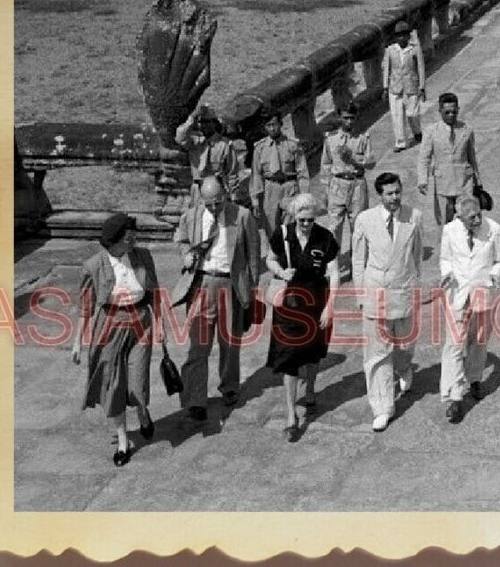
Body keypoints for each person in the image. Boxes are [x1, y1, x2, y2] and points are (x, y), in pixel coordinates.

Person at [172, 176, 262, 429]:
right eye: (209, 204)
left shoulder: (242, 216)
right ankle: (195, 400)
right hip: (200, 284)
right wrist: (187, 254)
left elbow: (253, 256)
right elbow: (180, 240)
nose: (214, 208)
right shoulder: (191, 216)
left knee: (230, 342)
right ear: (201, 198)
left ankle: (230, 386)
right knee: (198, 346)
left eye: (218, 202)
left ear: (226, 195)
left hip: (229, 284)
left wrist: (251, 292)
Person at [72, 212, 158, 466]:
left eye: (134, 238)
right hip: (109, 327)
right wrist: (78, 341)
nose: (134, 243)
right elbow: (86, 307)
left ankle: (142, 411)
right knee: (112, 385)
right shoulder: (93, 266)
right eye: (129, 239)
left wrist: (161, 325)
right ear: (114, 241)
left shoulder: (143, 256)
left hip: (141, 324)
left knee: (137, 380)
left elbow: (154, 293)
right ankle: (123, 441)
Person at [351, 171, 425, 432]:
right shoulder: (364, 220)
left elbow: (417, 257)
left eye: (397, 192)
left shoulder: (413, 217)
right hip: (375, 293)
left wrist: (415, 288)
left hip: (403, 290)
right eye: (389, 193)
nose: (394, 198)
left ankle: (404, 368)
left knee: (404, 343)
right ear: (379, 195)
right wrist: (360, 295)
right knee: (377, 355)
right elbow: (358, 261)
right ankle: (382, 407)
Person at [264, 193, 340, 443]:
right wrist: (281, 272)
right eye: (302, 219)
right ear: (294, 216)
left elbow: (334, 272)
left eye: (310, 219)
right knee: (289, 356)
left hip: (316, 300)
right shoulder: (283, 234)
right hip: (289, 303)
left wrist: (330, 305)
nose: (306, 224)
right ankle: (290, 415)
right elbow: (270, 260)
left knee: (314, 350)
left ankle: (310, 389)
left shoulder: (325, 237)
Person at [437, 195, 500, 423]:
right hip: (457, 294)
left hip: (481, 292)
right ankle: (455, 398)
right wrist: (447, 274)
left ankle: (475, 377)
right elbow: (445, 258)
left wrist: (493, 277)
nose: (477, 219)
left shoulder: (494, 229)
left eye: (479, 214)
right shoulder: (450, 230)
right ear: (459, 217)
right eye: (471, 217)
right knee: (454, 344)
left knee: (478, 339)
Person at [415, 92, 481, 229]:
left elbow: (472, 157)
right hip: (443, 182)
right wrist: (422, 180)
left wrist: (477, 181)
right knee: (445, 221)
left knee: (467, 218)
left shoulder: (466, 130)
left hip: (464, 182)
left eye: (454, 112)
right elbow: (424, 157)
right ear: (440, 111)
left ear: (458, 110)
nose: (451, 115)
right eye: (447, 112)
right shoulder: (431, 131)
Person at [321, 102, 371, 270]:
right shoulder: (331, 139)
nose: (349, 122)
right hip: (337, 184)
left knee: (358, 226)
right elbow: (326, 165)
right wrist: (326, 190)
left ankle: (356, 265)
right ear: (339, 118)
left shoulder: (362, 138)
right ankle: (333, 267)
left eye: (352, 118)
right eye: (345, 118)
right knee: (334, 227)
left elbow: (371, 162)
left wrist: (354, 159)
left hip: (357, 183)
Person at [248, 110, 309, 242]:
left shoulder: (292, 144)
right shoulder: (260, 148)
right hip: (270, 190)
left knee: (291, 228)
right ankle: (276, 260)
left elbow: (302, 172)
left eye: (274, 124)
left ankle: (291, 260)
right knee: (272, 230)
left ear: (281, 124)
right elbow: (256, 175)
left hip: (289, 188)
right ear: (265, 127)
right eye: (268, 125)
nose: (272, 128)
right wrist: (255, 200)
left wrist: (304, 197)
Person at [175, 104, 240, 206]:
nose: (203, 125)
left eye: (207, 122)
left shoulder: (224, 145)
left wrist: (234, 197)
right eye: (201, 122)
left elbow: (232, 173)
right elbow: (179, 136)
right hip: (198, 190)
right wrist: (192, 118)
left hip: (218, 189)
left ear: (214, 123)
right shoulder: (194, 142)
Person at [382, 22, 425, 152]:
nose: (402, 38)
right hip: (395, 87)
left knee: (412, 113)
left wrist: (422, 87)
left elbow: (421, 68)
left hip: (411, 85)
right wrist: (385, 87)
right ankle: (401, 142)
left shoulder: (415, 49)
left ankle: (417, 131)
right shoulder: (390, 50)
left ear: (408, 36)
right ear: (395, 37)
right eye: (399, 36)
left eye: (404, 35)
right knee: (397, 116)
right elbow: (386, 69)